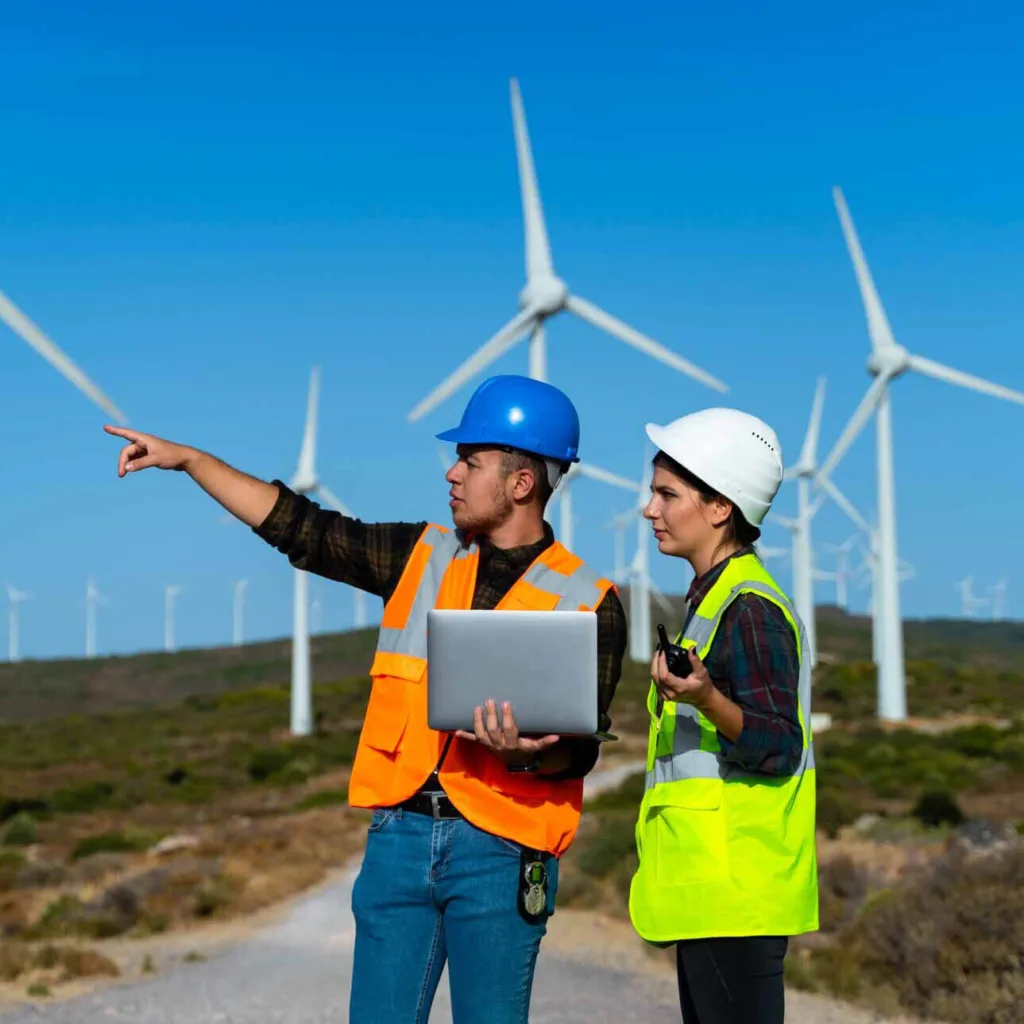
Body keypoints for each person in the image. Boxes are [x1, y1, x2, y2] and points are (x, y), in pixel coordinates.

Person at [104, 374, 627, 1024]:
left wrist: (528, 753)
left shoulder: (591, 601)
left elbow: (578, 752)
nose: (452, 474)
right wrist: (192, 462)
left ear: (522, 483)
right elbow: (303, 529)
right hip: (398, 840)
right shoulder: (418, 555)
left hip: (503, 849)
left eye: (471, 460)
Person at [626, 408, 819, 1024]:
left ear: (720, 508)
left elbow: (777, 743)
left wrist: (706, 698)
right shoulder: (714, 600)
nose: (648, 509)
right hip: (713, 893)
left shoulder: (750, 608)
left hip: (736, 894)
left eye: (666, 494)